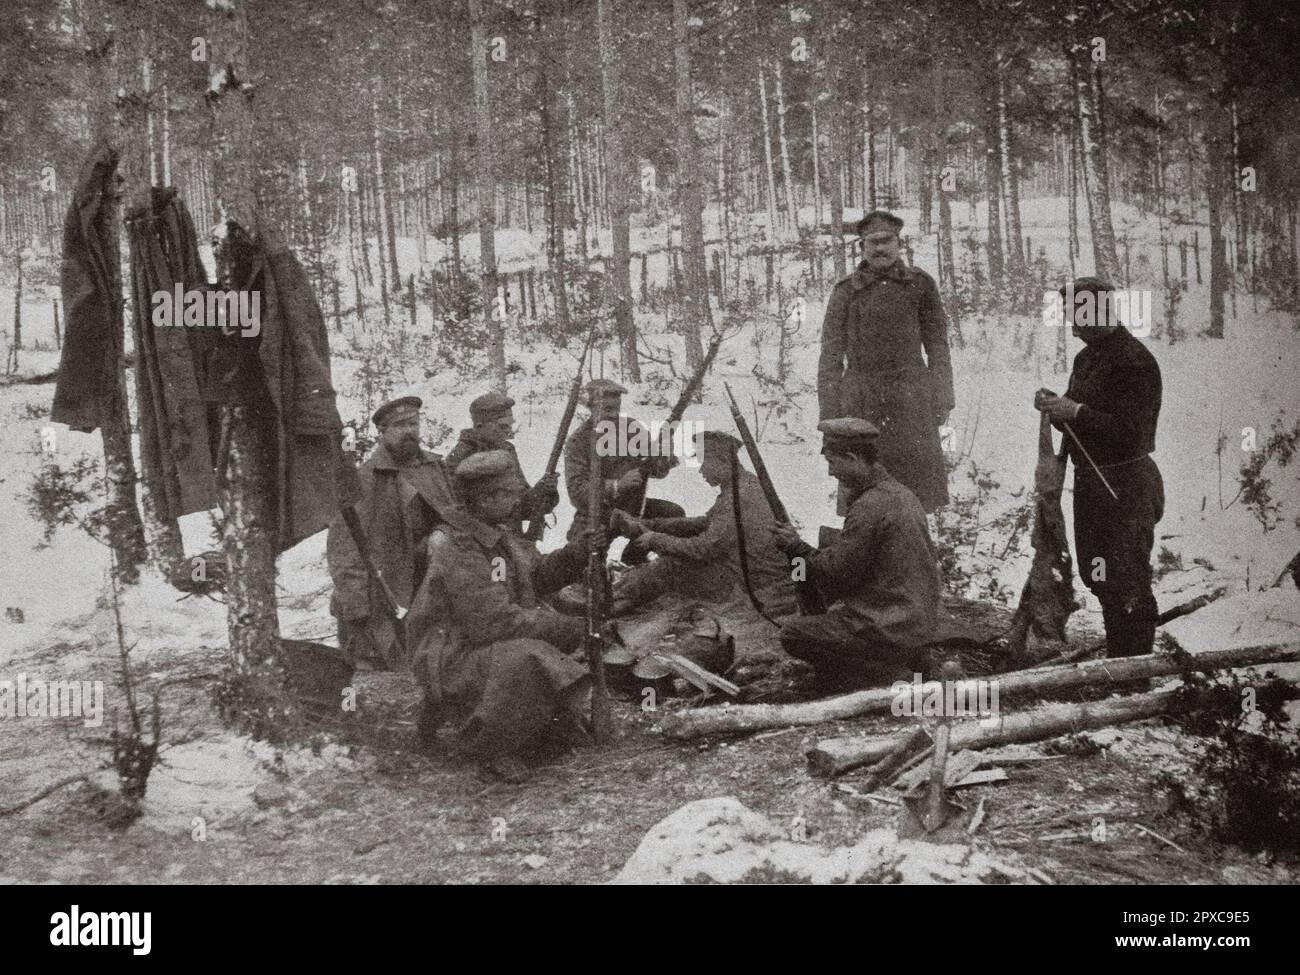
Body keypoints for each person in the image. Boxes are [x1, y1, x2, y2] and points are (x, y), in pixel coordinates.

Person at [405, 450, 607, 781]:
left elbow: (536, 574)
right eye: (511, 494)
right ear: (485, 499)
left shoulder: (490, 531)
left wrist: (576, 553)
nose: (519, 502)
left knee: (538, 646)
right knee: (529, 657)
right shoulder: (456, 545)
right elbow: (493, 623)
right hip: (448, 656)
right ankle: (490, 747)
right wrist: (567, 627)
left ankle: (531, 731)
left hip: (470, 646)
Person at [1034, 276, 1163, 658]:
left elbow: (1132, 433)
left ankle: (1136, 672)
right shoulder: (1087, 358)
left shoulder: (1135, 362)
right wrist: (1057, 408)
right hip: (1091, 483)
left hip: (1125, 485)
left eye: (1075, 315)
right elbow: (1079, 418)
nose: (1071, 326)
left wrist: (1076, 411)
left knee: (1127, 580)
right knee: (1099, 573)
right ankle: (1119, 658)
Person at [769, 418, 948, 692]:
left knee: (793, 634)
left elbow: (837, 571)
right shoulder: (902, 493)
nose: (831, 472)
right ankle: (913, 661)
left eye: (833, 462)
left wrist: (795, 547)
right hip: (915, 619)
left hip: (888, 623)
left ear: (852, 457)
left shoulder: (869, 506)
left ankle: (892, 676)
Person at [817, 209, 954, 513]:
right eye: (873, 242)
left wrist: (942, 397)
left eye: (887, 241)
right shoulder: (845, 292)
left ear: (898, 243)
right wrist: (830, 415)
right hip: (861, 403)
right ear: (862, 246)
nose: (880, 248)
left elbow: (938, 346)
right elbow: (830, 358)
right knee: (863, 490)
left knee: (915, 492)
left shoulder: (921, 285)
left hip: (911, 403)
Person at [326, 395, 456, 671]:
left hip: (431, 578)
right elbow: (344, 548)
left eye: (413, 423)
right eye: (399, 426)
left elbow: (456, 515)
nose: (409, 431)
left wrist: (441, 531)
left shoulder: (435, 468)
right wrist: (357, 609)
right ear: (382, 433)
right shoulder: (366, 478)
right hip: (387, 589)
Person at [608, 430, 795, 616]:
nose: (701, 470)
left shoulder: (738, 497)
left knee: (669, 567)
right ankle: (619, 593)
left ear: (722, 461)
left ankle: (610, 602)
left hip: (750, 582)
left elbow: (703, 549)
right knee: (673, 558)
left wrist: (655, 539)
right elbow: (707, 523)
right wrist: (650, 525)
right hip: (751, 571)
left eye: (704, 463)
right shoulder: (743, 485)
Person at [563, 378, 684, 564]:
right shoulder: (578, 441)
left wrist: (663, 457)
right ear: (592, 408)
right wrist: (616, 486)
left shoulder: (631, 429)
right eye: (607, 410)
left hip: (635, 507)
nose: (613, 416)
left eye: (617, 409)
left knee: (674, 516)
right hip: (597, 513)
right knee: (580, 560)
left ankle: (634, 558)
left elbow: (657, 471)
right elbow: (577, 492)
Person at [444, 390, 559, 532]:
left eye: (509, 424)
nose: (508, 430)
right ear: (480, 426)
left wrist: (542, 491)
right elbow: (453, 512)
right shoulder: (457, 458)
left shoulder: (507, 450)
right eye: (502, 425)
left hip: (511, 539)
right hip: (478, 543)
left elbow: (520, 502)